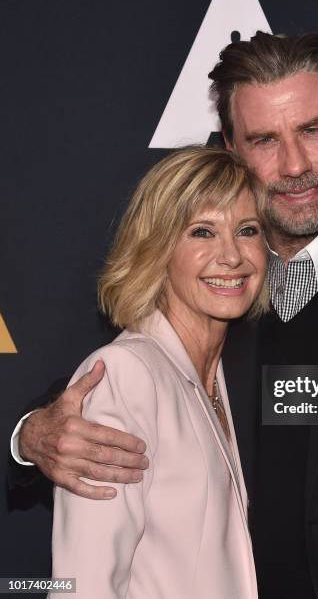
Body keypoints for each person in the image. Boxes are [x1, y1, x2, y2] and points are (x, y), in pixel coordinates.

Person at [10, 32, 318, 598]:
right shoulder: (218, 286)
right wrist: (29, 435)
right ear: (232, 149)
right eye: (265, 139)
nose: (296, 164)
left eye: (312, 130)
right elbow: (118, 384)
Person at [48, 146, 267, 598]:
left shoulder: (229, 374)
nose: (232, 256)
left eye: (248, 230)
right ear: (158, 248)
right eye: (203, 232)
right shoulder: (127, 376)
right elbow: (83, 587)